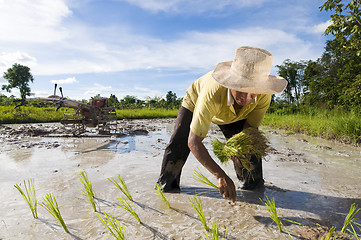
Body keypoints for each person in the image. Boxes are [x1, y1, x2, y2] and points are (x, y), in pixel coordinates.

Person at [156, 46, 288, 202]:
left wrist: (239, 149)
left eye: (253, 91)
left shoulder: (264, 96)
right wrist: (220, 175)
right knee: (179, 143)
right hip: (196, 101)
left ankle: (252, 193)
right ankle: (166, 189)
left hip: (236, 115)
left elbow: (250, 129)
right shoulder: (212, 91)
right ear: (231, 82)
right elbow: (193, 141)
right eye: (241, 89)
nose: (246, 97)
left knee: (249, 150)